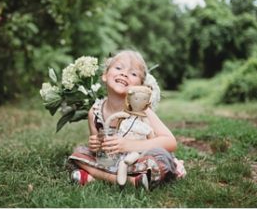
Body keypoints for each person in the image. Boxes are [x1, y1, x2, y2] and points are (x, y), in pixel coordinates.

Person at [68, 49, 186, 189]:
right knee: (78, 154)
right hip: (111, 163)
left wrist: (128, 145)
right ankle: (132, 182)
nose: (124, 73)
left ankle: (94, 177)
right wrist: (97, 145)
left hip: (138, 161)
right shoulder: (94, 112)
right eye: (118, 68)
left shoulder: (142, 110)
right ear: (105, 75)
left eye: (133, 73)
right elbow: (100, 152)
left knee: (160, 159)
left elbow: (170, 142)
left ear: (140, 87)